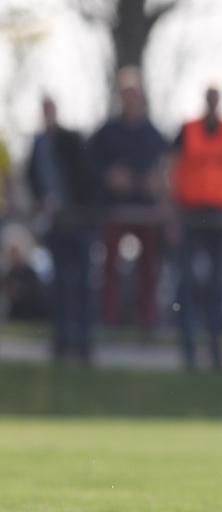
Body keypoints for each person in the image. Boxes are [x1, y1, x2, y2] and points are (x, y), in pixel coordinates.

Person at [170, 86, 222, 370]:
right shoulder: (187, 130)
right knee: (187, 284)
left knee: (218, 287)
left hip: (220, 215)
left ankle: (216, 351)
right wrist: (172, 212)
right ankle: (189, 350)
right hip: (190, 214)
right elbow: (170, 167)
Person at [90, 68, 168, 332]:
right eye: (125, 94)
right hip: (115, 210)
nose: (130, 99)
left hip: (146, 212)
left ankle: (147, 320)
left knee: (149, 269)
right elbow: (91, 166)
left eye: (134, 94)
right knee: (109, 267)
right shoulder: (106, 132)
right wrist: (109, 177)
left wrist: (156, 183)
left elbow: (166, 170)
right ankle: (109, 320)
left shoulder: (153, 134)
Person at [27, 96, 97, 362]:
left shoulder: (72, 140)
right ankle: (62, 341)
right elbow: (33, 178)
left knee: (81, 284)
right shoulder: (38, 143)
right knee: (60, 285)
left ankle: (83, 343)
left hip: (78, 221)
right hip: (55, 224)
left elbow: (84, 177)